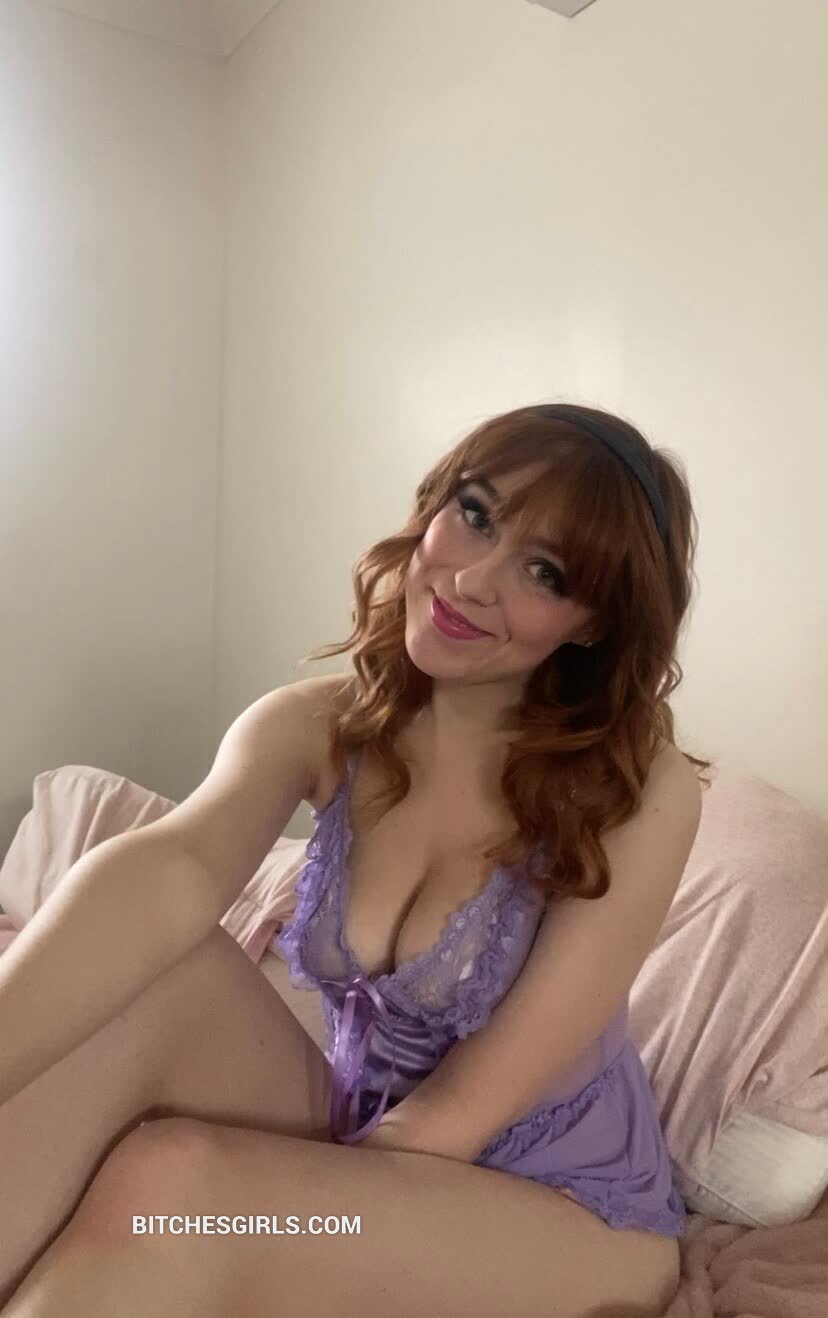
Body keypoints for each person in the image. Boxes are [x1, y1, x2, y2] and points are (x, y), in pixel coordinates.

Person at [0, 402, 707, 1316]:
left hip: (565, 1216)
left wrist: (273, 1216)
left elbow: (463, 1111)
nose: (473, 580)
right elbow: (168, 872)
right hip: (373, 1145)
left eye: (545, 572)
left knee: (175, 1187)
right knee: (154, 976)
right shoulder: (318, 726)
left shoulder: (637, 791)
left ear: (591, 623)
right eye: (475, 514)